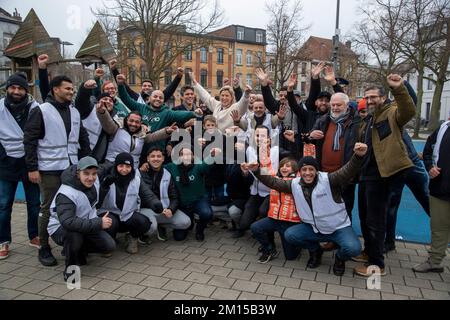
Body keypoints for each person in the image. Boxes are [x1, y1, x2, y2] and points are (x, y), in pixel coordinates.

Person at [248, 143, 368, 276]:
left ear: (316, 171)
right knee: (291, 235)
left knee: (354, 248)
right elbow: (273, 182)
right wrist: (256, 171)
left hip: (338, 228)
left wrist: (358, 156)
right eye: (304, 170)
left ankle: (339, 259)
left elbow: (347, 171)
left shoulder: (329, 180)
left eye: (311, 169)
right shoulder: (294, 184)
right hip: (314, 228)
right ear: (300, 171)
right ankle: (316, 251)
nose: (308, 173)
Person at [24, 75, 91, 267]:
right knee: (48, 208)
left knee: (73, 206)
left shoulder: (74, 111)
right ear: (55, 89)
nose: (71, 91)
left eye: (72, 89)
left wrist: (87, 163)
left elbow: (82, 138)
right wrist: (32, 167)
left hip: (72, 168)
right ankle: (44, 247)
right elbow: (29, 140)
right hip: (49, 169)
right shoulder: (41, 110)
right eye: (67, 88)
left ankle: (71, 245)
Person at [353, 74, 416, 277]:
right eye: (367, 97)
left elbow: (408, 110)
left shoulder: (391, 112)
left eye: (374, 97)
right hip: (366, 174)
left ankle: (377, 264)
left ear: (383, 97)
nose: (370, 100)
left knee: (375, 220)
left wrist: (399, 88)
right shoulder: (369, 118)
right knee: (364, 216)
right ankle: (369, 251)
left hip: (383, 175)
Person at [47, 157, 116, 280]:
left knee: (108, 246)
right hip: (61, 228)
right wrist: (98, 222)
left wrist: (118, 164)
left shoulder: (93, 179)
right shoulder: (66, 193)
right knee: (74, 236)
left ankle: (77, 251)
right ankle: (70, 270)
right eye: (86, 174)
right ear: (78, 173)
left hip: (84, 223)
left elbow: (105, 167)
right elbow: (68, 222)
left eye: (94, 174)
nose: (91, 178)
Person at [0, 73, 41, 260]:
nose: (16, 91)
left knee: (34, 203)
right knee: (3, 204)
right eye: (13, 88)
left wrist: (33, 162)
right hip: (5, 161)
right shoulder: (0, 107)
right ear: (7, 88)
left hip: (28, 161)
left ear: (26, 90)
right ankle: (3, 241)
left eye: (20, 88)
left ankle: (34, 235)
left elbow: (40, 134)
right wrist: (3, 155)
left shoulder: (35, 108)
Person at [308, 92, 361, 219]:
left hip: (345, 173)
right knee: (325, 206)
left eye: (339, 105)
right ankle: (328, 233)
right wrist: (311, 135)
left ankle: (342, 235)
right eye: (333, 105)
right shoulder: (323, 120)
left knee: (345, 206)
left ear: (347, 105)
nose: (335, 108)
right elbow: (309, 139)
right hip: (324, 173)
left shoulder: (356, 122)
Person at [98, 152, 159, 254]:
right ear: (116, 165)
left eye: (128, 166)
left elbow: (147, 194)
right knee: (110, 223)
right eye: (121, 166)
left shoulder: (136, 179)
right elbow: (97, 201)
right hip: (110, 213)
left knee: (144, 223)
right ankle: (108, 243)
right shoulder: (107, 177)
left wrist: (155, 203)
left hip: (128, 214)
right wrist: (104, 186)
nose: (124, 169)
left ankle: (132, 237)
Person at [412, 120, 450, 273]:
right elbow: (428, 150)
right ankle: (435, 261)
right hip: (440, 187)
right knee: (438, 228)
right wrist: (429, 167)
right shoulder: (443, 127)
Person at [250, 157, 301, 263]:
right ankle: (269, 249)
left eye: (287, 166)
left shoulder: (298, 182)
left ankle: (298, 242)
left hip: (290, 223)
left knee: (290, 257)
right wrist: (255, 168)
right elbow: (265, 172)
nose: (284, 168)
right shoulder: (275, 178)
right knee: (255, 227)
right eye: (282, 166)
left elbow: (271, 181)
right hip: (274, 219)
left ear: (294, 168)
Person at [232, 125, 279, 238]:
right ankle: (247, 227)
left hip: (271, 190)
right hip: (255, 190)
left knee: (263, 211)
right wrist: (245, 173)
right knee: (244, 223)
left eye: (263, 136)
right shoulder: (250, 150)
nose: (260, 138)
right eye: (257, 135)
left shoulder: (275, 150)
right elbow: (247, 175)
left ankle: (262, 231)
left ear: (268, 138)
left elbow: (268, 171)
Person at [165, 147, 220, 241]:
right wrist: (146, 165)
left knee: (206, 213)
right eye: (183, 154)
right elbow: (158, 168)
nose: (186, 157)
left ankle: (199, 230)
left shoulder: (198, 166)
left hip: (198, 200)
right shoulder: (172, 167)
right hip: (182, 204)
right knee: (179, 237)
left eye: (188, 154)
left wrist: (212, 155)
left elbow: (205, 165)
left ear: (193, 156)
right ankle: (189, 223)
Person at [139, 147, 191, 242]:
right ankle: (142, 233)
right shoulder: (140, 174)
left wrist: (171, 209)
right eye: (153, 156)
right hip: (146, 210)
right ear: (147, 158)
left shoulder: (167, 173)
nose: (156, 159)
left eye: (159, 156)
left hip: (164, 209)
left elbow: (174, 196)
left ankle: (161, 225)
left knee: (186, 222)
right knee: (151, 226)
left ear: (163, 158)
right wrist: (157, 207)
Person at [97, 106, 175, 169]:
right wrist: (102, 112)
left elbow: (153, 137)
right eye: (131, 120)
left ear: (141, 123)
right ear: (127, 119)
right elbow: (107, 123)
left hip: (132, 168)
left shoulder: (142, 133)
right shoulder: (117, 127)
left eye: (137, 122)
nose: (134, 124)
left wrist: (166, 131)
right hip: (112, 164)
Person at [109, 59, 183, 104]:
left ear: (153, 88)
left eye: (149, 86)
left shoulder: (158, 98)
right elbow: (124, 86)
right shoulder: (136, 97)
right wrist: (114, 70)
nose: (147, 87)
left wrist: (178, 77)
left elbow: (169, 90)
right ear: (141, 88)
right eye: (144, 86)